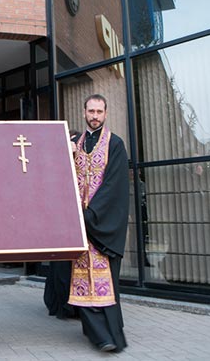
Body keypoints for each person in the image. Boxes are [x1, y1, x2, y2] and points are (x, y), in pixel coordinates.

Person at [44, 94, 130, 352]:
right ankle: (99, 336)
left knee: (106, 282)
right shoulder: (74, 143)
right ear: (84, 113)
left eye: (99, 111)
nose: (95, 116)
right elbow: (58, 177)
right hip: (79, 225)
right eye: (91, 111)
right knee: (82, 280)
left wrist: (90, 215)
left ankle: (112, 333)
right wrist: (66, 156)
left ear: (105, 113)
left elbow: (114, 185)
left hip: (100, 224)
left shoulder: (115, 144)